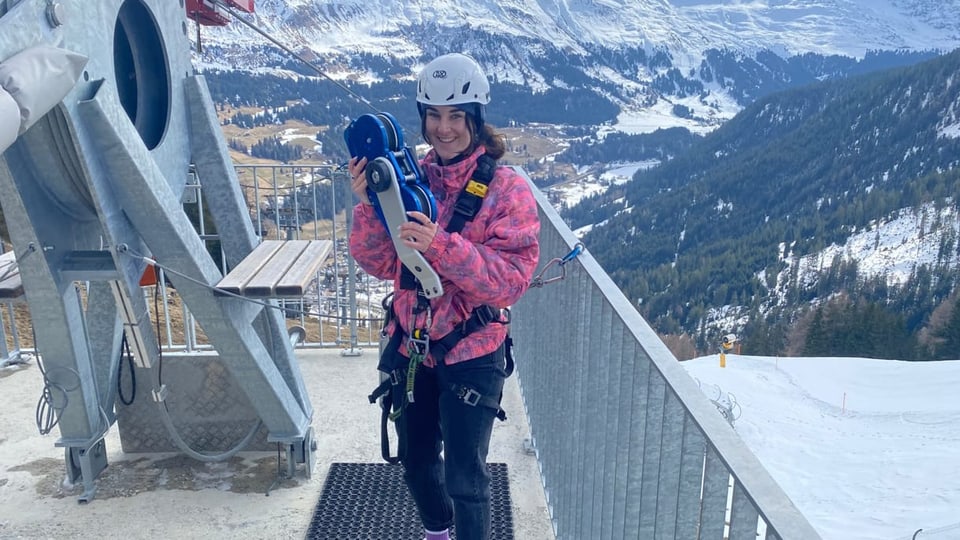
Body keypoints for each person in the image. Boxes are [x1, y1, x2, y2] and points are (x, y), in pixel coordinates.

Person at [348, 53, 541, 540]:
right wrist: (371, 207)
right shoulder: (410, 178)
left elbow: (509, 280)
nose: (444, 128)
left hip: (471, 350)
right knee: (415, 464)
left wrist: (440, 245)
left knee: (466, 479)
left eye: (456, 116)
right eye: (433, 115)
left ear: (476, 119)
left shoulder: (506, 190)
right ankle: (438, 531)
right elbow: (380, 264)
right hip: (412, 342)